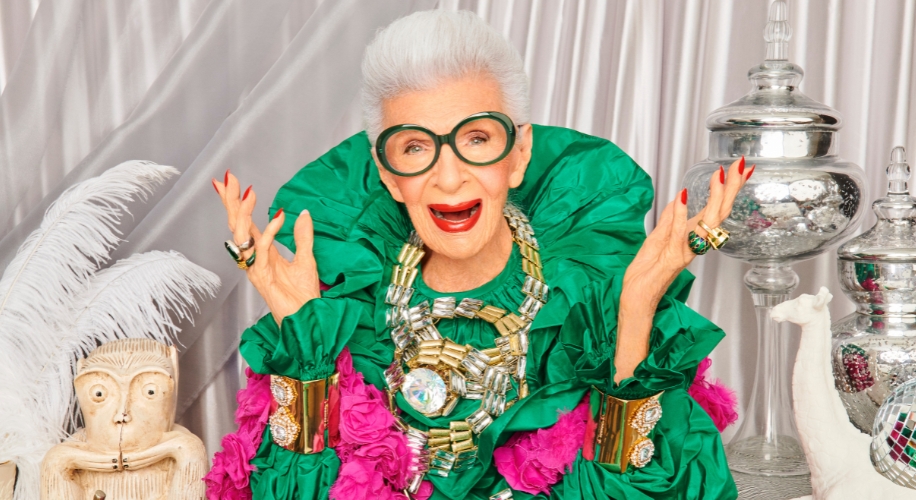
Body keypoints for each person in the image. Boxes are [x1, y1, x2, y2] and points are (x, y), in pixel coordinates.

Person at [213, 9, 746, 500]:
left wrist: (635, 313)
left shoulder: (589, 301)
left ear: (518, 156)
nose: (449, 177)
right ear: (387, 175)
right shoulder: (347, 300)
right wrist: (303, 339)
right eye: (415, 147)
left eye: (476, 138)